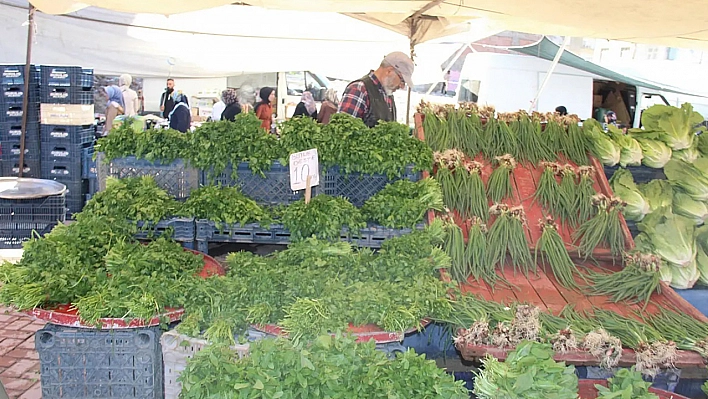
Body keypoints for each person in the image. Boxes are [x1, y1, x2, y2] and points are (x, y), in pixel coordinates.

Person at [338, 51, 414, 127]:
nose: (402, 86)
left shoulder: (387, 94)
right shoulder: (359, 89)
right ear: (389, 71)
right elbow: (343, 129)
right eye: (402, 80)